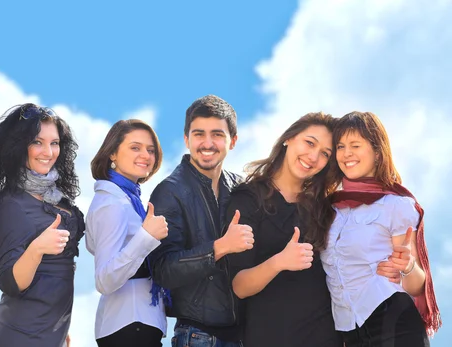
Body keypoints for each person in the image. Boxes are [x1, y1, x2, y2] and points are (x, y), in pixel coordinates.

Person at [321, 111, 442, 346]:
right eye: (341, 146)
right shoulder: (330, 209)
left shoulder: (395, 204)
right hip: (348, 330)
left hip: (393, 323)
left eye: (355, 145)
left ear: (377, 152)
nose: (347, 154)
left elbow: (416, 286)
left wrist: (406, 266)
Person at [226, 112, 342, 347]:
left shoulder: (325, 208)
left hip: (325, 336)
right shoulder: (247, 199)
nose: (313, 157)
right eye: (310, 143)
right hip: (270, 336)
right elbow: (238, 286)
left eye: (324, 154)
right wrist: (279, 262)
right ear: (288, 138)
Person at [0, 103, 84, 347]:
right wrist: (37, 248)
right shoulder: (11, 203)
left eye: (54, 143)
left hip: (51, 331)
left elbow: (57, 274)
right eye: (37, 142)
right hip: (20, 335)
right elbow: (9, 281)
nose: (48, 151)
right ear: (19, 146)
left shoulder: (56, 195)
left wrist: (61, 327)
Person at [148, 95, 253, 347]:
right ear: (186, 139)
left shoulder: (242, 188)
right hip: (198, 337)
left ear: (233, 141)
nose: (207, 143)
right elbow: (162, 270)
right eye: (198, 134)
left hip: (244, 335)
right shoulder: (169, 192)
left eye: (217, 134)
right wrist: (220, 248)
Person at [85, 119, 168, 347]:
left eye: (150, 150)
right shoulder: (112, 203)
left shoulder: (127, 198)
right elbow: (104, 279)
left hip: (138, 323)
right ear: (112, 153)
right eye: (135, 147)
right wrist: (146, 237)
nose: (145, 155)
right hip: (129, 327)